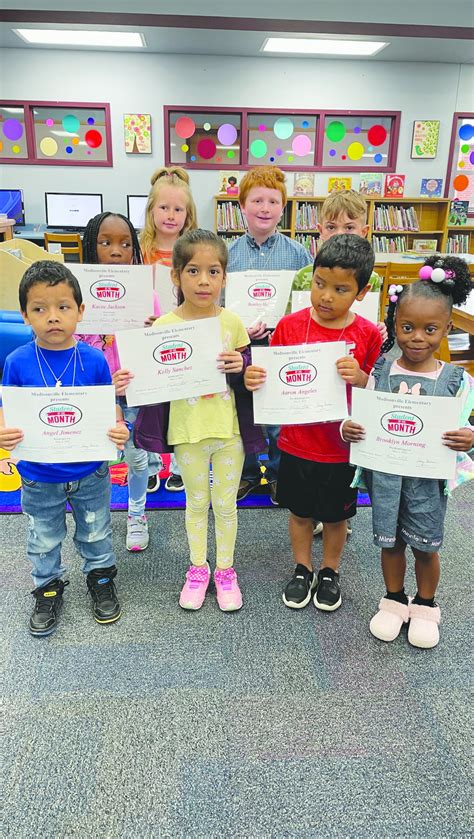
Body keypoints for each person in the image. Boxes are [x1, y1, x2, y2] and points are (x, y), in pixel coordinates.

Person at [244, 235, 382, 612]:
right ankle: (302, 568)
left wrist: (362, 378)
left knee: (337, 517)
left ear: (361, 291)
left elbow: (376, 393)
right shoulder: (288, 326)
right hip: (296, 443)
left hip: (341, 448)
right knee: (300, 512)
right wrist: (255, 377)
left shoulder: (367, 334)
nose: (326, 296)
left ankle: (330, 571)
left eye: (340, 289)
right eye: (320, 284)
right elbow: (274, 378)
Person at [129, 229, 264, 611]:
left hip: (229, 432)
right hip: (187, 432)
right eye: (193, 271)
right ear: (175, 275)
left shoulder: (233, 323)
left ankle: (225, 570)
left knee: (225, 505)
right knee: (195, 503)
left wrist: (243, 365)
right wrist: (131, 377)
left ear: (224, 276)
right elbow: (149, 382)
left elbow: (250, 374)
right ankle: (197, 568)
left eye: (213, 271)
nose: (204, 281)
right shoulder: (163, 326)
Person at [342, 255, 473, 648]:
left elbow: (467, 424)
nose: (418, 337)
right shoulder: (382, 369)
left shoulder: (455, 380)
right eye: (407, 327)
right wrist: (349, 428)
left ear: (447, 328)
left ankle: (427, 604)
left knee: (426, 546)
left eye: (430, 329)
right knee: (390, 542)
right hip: (386, 478)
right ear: (394, 324)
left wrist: (470, 436)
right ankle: (395, 599)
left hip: (427, 481)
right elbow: (364, 413)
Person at [0, 261, 129, 636]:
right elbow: (8, 411)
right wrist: (5, 432)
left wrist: (118, 428)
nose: (52, 317)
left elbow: (110, 410)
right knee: (42, 536)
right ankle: (48, 586)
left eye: (63, 307)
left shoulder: (93, 360)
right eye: (39, 309)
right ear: (25, 314)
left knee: (96, 531)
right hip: (39, 474)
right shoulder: (17, 362)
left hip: (90, 471)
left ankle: (101, 578)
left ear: (81, 311)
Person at [291, 190, 385, 537]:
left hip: (347, 386)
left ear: (365, 230)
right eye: (332, 226)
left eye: (350, 225)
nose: (341, 232)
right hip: (310, 380)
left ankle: (333, 517)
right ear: (319, 232)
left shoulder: (371, 278)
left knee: (337, 462)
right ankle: (314, 513)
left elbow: (375, 344)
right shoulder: (304, 275)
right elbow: (295, 322)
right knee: (307, 453)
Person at [78, 211, 161, 553]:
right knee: (97, 458)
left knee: (138, 458)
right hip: (98, 393)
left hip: (136, 392)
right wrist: (103, 382)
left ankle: (137, 513)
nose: (116, 250)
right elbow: (76, 346)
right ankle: (94, 516)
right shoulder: (79, 294)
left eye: (125, 244)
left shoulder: (145, 294)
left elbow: (156, 345)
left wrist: (155, 330)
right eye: (106, 242)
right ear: (90, 247)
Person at [227, 165, 311, 504]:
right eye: (257, 200)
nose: (265, 208)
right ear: (242, 206)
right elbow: (218, 304)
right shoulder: (228, 254)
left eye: (273, 201)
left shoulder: (298, 254)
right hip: (241, 346)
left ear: (283, 207)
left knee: (278, 417)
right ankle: (247, 473)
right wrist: (238, 328)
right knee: (242, 413)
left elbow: (307, 303)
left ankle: (277, 474)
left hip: (282, 347)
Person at [140, 166, 198, 492]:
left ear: (188, 214)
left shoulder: (191, 251)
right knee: (149, 405)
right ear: (151, 210)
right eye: (164, 207)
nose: (171, 215)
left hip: (181, 335)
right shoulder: (139, 250)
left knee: (181, 401)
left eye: (178, 209)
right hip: (146, 336)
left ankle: (178, 464)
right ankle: (149, 463)